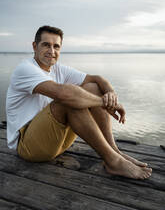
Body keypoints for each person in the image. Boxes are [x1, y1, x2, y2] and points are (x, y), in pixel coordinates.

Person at [6, 25, 152, 179]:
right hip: (29, 147)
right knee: (67, 99)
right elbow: (64, 95)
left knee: (92, 87)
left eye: (56, 46)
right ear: (35, 46)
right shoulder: (25, 69)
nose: (52, 51)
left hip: (57, 142)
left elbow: (97, 79)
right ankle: (112, 161)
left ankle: (113, 150)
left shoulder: (58, 69)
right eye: (46, 45)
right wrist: (104, 103)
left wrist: (111, 96)